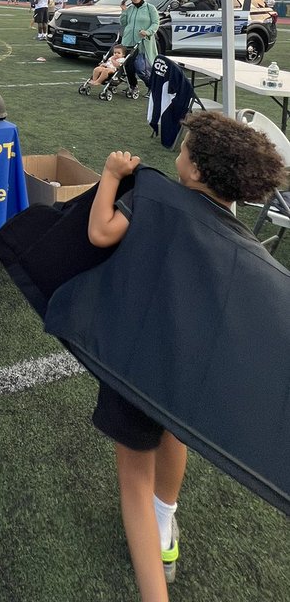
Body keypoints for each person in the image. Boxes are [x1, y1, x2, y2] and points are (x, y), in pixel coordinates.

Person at [86, 112, 286, 599]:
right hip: (192, 366)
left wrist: (111, 175)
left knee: (133, 480)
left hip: (141, 359)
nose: (175, 156)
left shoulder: (157, 202)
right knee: (174, 433)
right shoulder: (240, 236)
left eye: (182, 151)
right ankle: (165, 524)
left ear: (195, 171)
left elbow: (101, 233)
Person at [119, 0, 159, 94]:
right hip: (128, 42)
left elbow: (155, 23)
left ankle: (152, 87)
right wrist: (123, 10)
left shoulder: (150, 8)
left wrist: (148, 32)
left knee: (142, 68)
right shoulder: (130, 9)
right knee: (128, 66)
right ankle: (133, 86)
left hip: (143, 43)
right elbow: (123, 23)